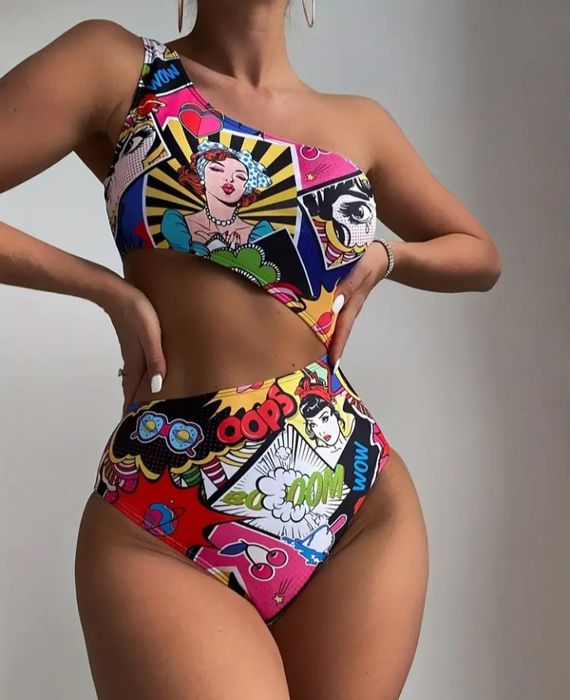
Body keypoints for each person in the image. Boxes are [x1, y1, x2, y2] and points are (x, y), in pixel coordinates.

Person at [0, 1, 502, 698]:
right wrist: (105, 289)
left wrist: (388, 256)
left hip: (355, 497)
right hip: (167, 505)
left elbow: (480, 254)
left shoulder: (361, 123)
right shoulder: (118, 68)